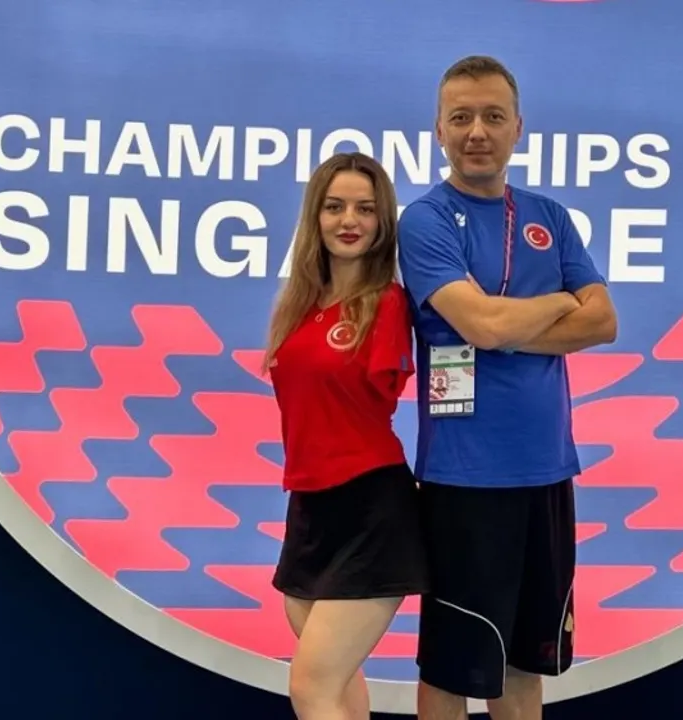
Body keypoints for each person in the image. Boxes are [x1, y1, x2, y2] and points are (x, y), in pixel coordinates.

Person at [397, 56, 619, 720]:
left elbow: (603, 322)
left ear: (518, 127)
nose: (477, 132)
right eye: (461, 117)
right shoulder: (426, 220)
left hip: (546, 471)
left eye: (493, 116)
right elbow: (483, 325)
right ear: (438, 128)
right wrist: (557, 302)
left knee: (527, 663)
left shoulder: (550, 216)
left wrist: (502, 325)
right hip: (465, 477)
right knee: (452, 669)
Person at [264, 151, 427, 719]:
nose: (349, 220)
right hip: (310, 505)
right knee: (335, 689)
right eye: (335, 207)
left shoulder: (387, 304)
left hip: (370, 507)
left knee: (311, 688)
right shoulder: (299, 307)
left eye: (365, 208)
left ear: (383, 221)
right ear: (316, 215)